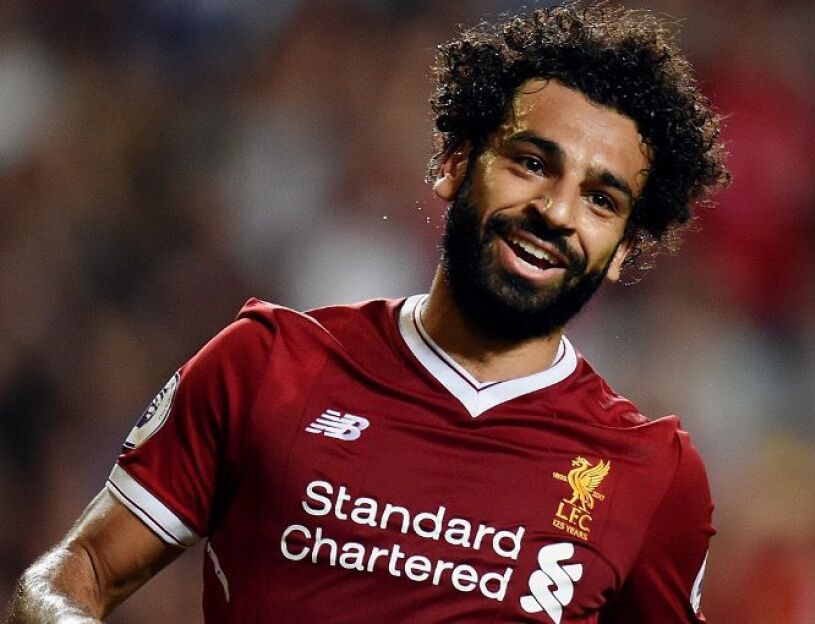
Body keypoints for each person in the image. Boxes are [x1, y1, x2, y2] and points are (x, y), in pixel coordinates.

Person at [6, 3, 728, 622]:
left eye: (601, 199)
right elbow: (76, 573)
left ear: (625, 248)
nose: (557, 211)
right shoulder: (267, 365)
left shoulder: (652, 474)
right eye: (532, 163)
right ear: (454, 163)